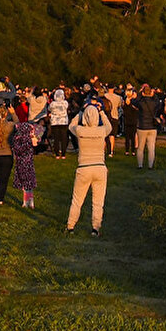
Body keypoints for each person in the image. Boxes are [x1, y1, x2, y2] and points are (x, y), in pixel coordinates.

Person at [66, 99, 113, 236]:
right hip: (100, 167)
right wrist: (102, 112)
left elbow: (71, 126)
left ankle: (70, 226)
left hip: (84, 167)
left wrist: (81, 112)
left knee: (77, 200)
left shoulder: (80, 130)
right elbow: (109, 127)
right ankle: (95, 228)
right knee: (98, 202)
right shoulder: (101, 130)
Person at [10, 99, 38, 209]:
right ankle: (30, 201)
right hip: (29, 164)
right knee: (29, 184)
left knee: (24, 185)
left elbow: (17, 149)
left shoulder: (18, 139)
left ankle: (26, 201)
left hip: (21, 164)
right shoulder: (30, 140)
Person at [135, 84, 160, 169]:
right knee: (151, 147)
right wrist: (154, 95)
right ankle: (150, 165)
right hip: (152, 126)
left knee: (140, 147)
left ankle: (140, 165)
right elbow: (158, 103)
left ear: (143, 93)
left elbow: (134, 101)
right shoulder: (154, 102)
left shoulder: (141, 102)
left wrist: (139, 94)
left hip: (142, 126)